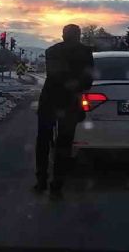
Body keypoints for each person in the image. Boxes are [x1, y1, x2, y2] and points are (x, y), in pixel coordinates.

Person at [35, 24, 94, 198]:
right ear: (79, 35)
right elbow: (88, 82)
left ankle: (41, 180)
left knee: (43, 141)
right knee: (64, 144)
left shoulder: (51, 51)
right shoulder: (86, 53)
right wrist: (76, 84)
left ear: (62, 35)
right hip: (70, 103)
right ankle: (57, 185)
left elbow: (53, 75)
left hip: (49, 101)